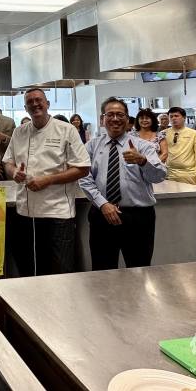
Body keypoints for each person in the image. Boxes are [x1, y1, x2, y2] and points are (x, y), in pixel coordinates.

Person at [2, 88, 91, 275]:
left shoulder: (66, 130)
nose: (35, 104)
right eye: (30, 102)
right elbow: (8, 162)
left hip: (57, 213)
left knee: (60, 270)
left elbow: (82, 168)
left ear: (47, 104)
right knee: (30, 270)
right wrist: (14, 172)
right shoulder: (19, 132)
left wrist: (48, 180)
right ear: (25, 108)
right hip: (25, 212)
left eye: (39, 100)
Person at [79, 98, 167, 270]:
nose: (115, 119)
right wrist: (103, 204)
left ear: (127, 119)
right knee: (102, 270)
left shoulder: (143, 146)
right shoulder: (91, 146)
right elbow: (84, 178)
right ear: (102, 119)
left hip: (138, 217)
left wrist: (143, 161)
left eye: (120, 115)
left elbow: (159, 176)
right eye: (110, 114)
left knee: (139, 269)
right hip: (102, 214)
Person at [164, 107, 196, 179]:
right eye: (171, 116)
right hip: (169, 173)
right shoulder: (163, 134)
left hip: (189, 173)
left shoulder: (194, 134)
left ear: (184, 117)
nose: (173, 118)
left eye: (176, 116)